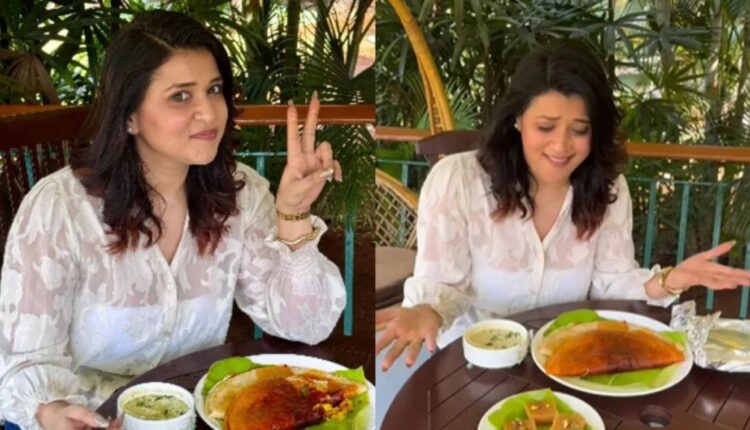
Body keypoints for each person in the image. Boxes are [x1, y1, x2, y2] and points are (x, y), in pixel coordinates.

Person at [0, 10, 346, 430]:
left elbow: (305, 325)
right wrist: (51, 411)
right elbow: (24, 361)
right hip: (91, 418)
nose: (209, 113)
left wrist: (294, 213)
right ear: (129, 115)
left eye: (214, 90)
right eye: (181, 96)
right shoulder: (61, 209)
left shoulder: (239, 195)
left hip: (195, 415)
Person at [376, 40, 750, 371]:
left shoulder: (607, 189)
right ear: (518, 120)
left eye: (579, 130)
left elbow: (610, 282)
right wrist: (427, 310)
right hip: (473, 364)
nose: (561, 146)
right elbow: (443, 286)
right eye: (546, 126)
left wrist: (669, 280)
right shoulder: (457, 180)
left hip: (568, 359)